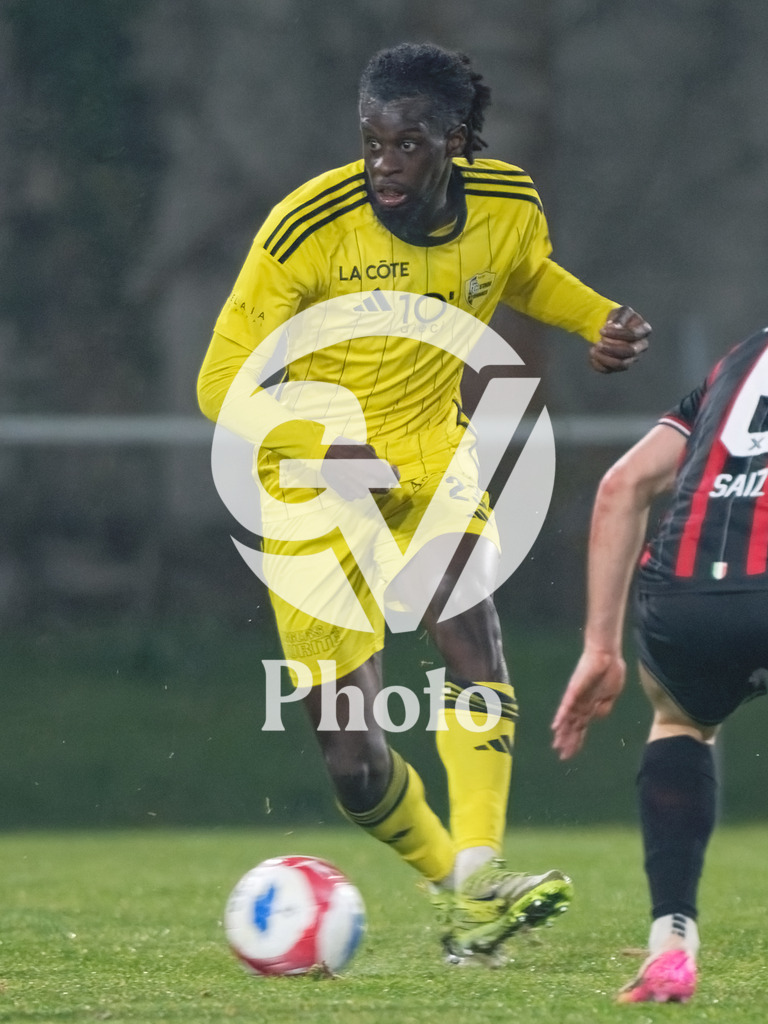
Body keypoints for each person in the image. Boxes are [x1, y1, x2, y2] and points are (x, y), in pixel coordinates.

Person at [198, 41, 651, 965]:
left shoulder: (507, 202)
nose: (383, 167)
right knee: (356, 762)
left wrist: (594, 318)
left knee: (466, 626)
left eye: (404, 146)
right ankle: (459, 892)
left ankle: (483, 880)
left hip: (431, 457)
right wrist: (324, 444)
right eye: (370, 143)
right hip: (311, 489)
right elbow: (218, 384)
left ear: (454, 140)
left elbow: (521, 274)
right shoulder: (306, 229)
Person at [552, 326, 768, 1000]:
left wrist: (600, 646)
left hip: (686, 597)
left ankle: (671, 944)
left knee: (679, 722)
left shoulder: (739, 360)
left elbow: (622, 485)